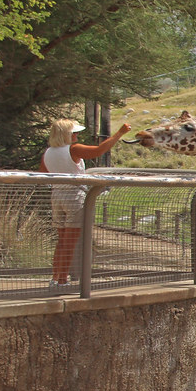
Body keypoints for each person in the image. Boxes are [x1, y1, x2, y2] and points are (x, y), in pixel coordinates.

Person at [40, 119, 132, 287]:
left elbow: (43, 173)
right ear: (65, 134)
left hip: (56, 195)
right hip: (74, 195)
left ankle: (55, 277)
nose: (76, 135)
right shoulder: (73, 149)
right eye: (73, 132)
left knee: (61, 241)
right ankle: (62, 281)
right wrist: (119, 133)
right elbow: (99, 151)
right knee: (70, 241)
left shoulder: (48, 153)